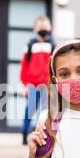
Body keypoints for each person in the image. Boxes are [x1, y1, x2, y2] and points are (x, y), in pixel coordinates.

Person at [19, 15, 55, 145]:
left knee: (46, 112)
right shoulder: (29, 46)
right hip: (32, 86)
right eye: (40, 27)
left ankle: (45, 136)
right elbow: (24, 67)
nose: (43, 29)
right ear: (34, 28)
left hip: (47, 86)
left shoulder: (53, 46)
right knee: (29, 111)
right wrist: (24, 85)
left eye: (45, 26)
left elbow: (55, 67)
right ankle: (24, 134)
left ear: (50, 27)